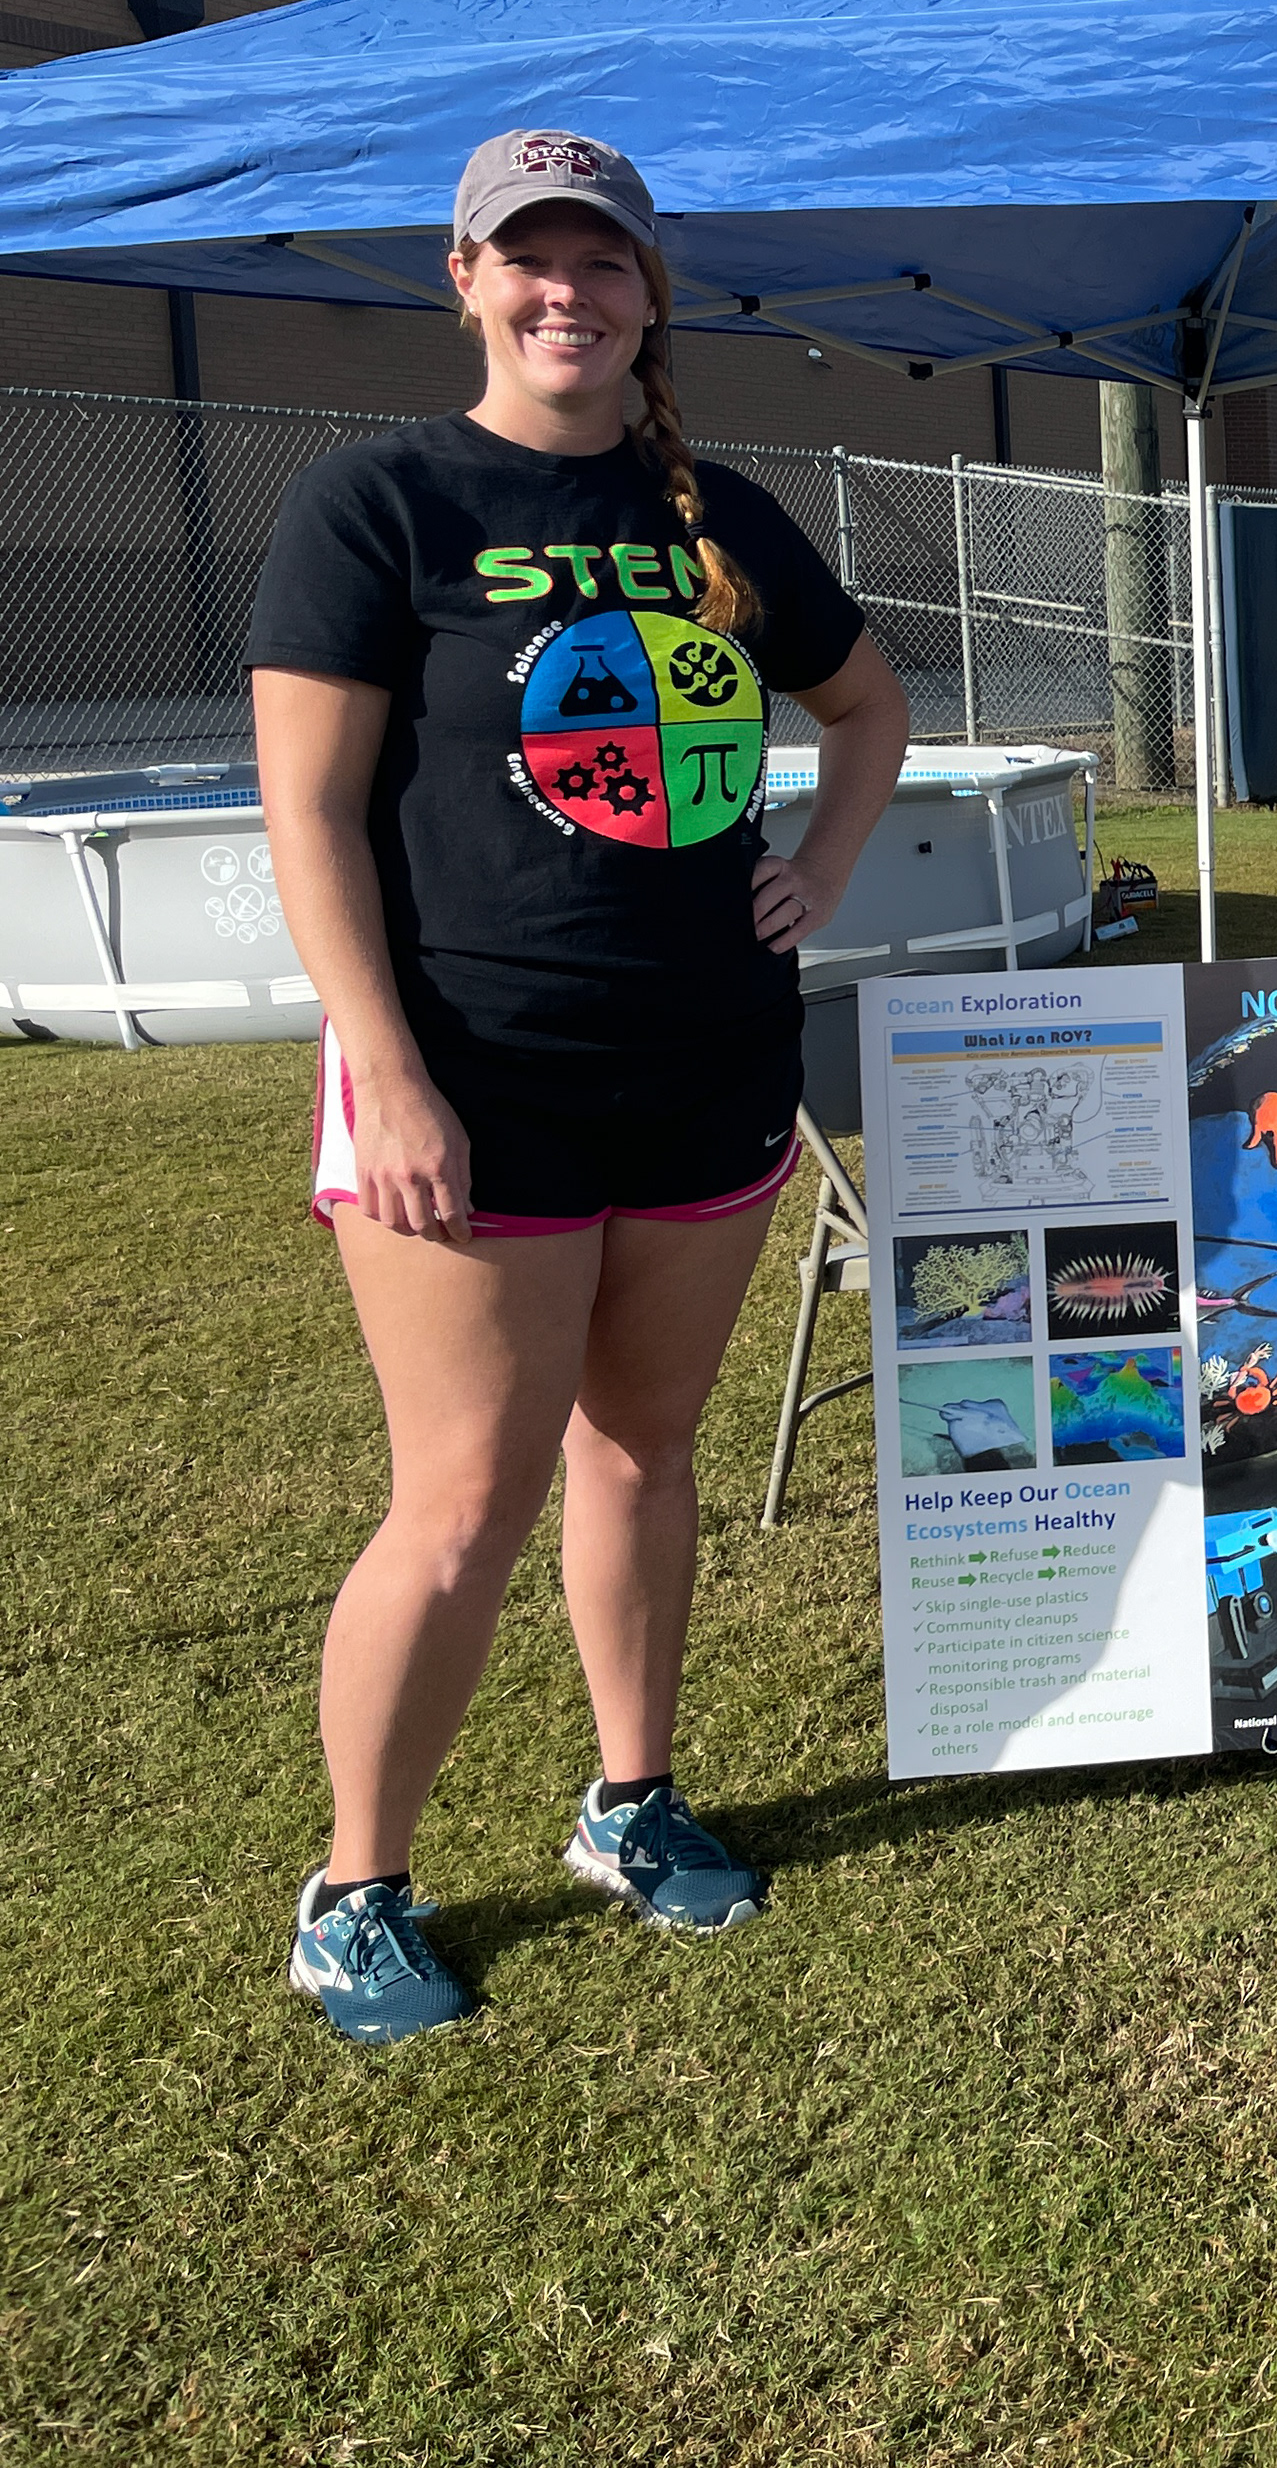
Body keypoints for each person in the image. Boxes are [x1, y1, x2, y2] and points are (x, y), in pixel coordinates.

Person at [253, 129, 910, 2045]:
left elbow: (866, 705)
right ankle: (355, 1885)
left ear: (651, 293)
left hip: (707, 1065)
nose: (569, 293)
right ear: (462, 279)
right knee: (461, 1498)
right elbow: (306, 810)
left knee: (645, 1448)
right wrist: (386, 1071)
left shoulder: (723, 512)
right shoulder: (377, 501)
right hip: (472, 1075)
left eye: (603, 262)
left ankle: (630, 1802)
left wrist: (828, 865)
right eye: (528, 260)